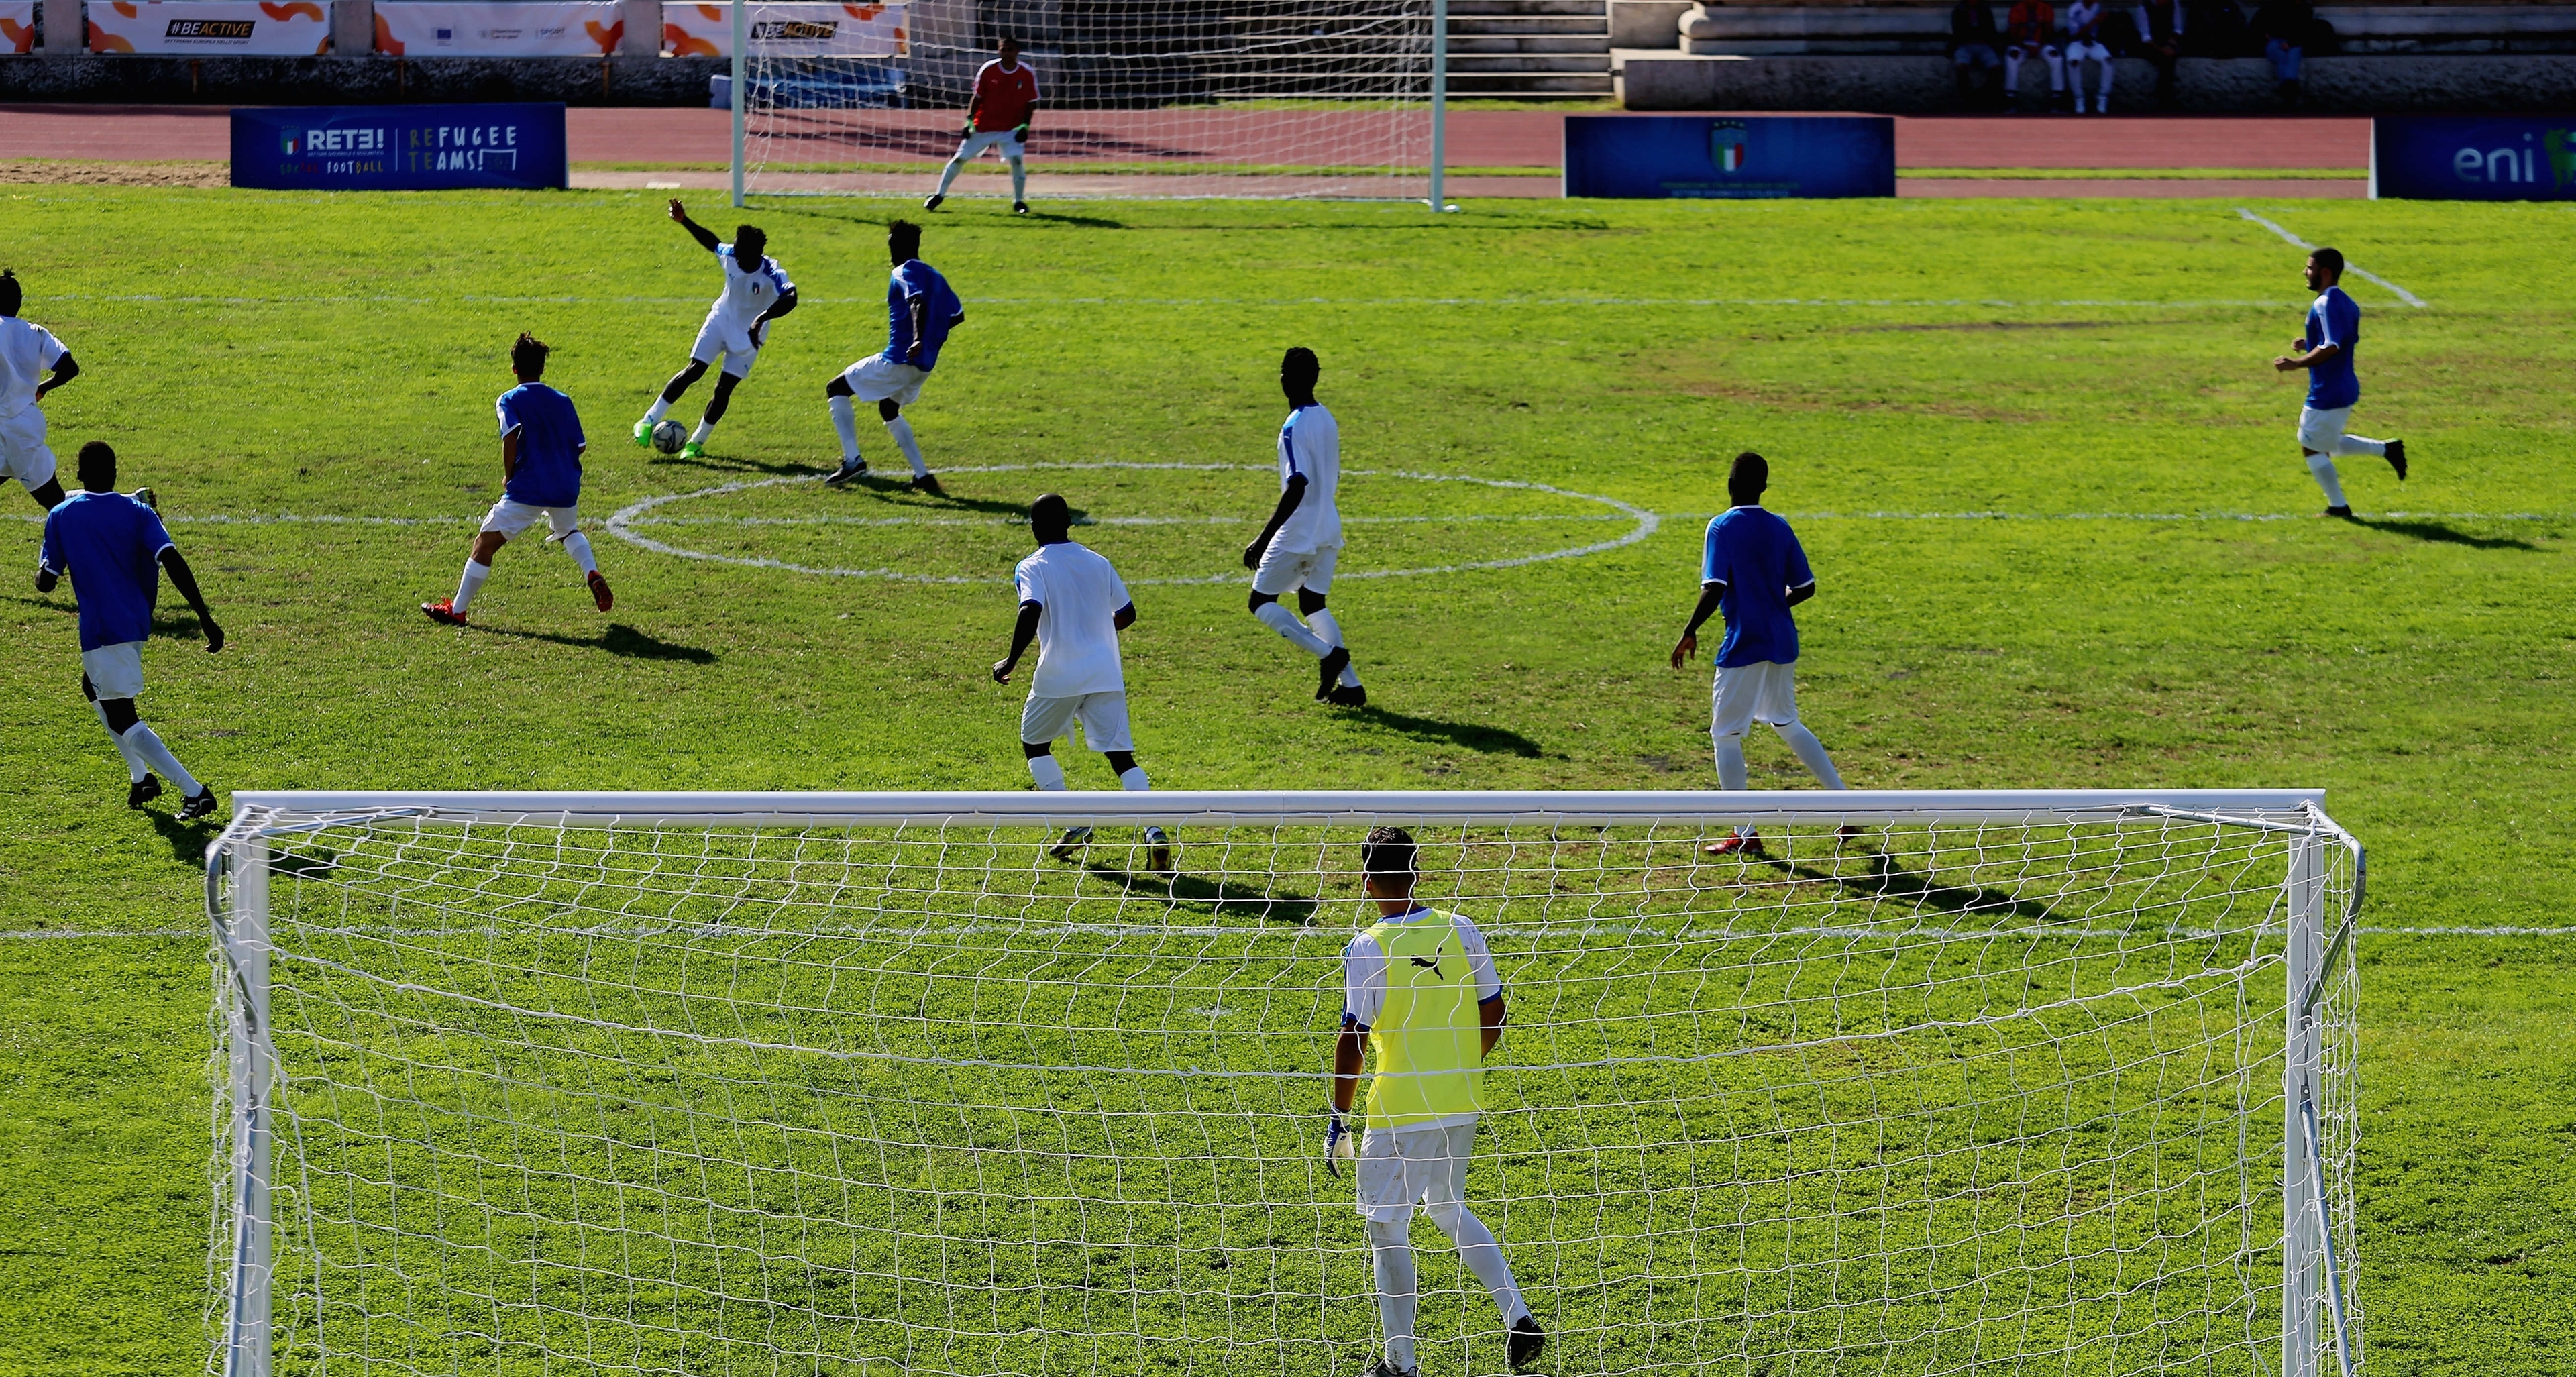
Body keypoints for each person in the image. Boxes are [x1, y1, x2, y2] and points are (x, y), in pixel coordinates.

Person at [1328, 826, 1545, 1377]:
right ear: (1418, 870)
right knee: (1446, 1207)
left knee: (1386, 1226)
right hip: (1461, 1099)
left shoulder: (1368, 945)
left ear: (1366, 880)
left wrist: (1339, 1117)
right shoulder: (1462, 928)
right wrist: (1457, 1063)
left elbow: (1354, 1036)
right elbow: (1493, 1013)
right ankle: (1518, 1315)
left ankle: (1401, 1364)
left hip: (1401, 1108)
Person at [1669, 452, 1855, 857]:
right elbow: (1805, 587)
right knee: (1785, 720)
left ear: (1730, 485)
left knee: (1725, 734)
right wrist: (1773, 604)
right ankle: (1847, 806)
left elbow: (1714, 585)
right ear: (1764, 488)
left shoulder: (1721, 526)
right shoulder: (1780, 526)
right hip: (1782, 639)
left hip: (1745, 641)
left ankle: (1745, 831)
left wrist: (1689, 631)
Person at [38, 441, 223, 819]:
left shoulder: (61, 514)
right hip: (134, 621)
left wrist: (42, 568)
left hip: (103, 628)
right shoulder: (139, 511)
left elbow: (46, 583)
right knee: (93, 687)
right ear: (116, 473)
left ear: (78, 475)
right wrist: (205, 618)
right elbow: (171, 559)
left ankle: (195, 792)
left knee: (122, 715)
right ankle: (142, 778)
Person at [991, 492, 1172, 873]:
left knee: (1035, 743)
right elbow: (1127, 615)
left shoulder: (1032, 566)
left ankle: (1074, 821)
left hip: (1060, 673)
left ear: (1034, 527)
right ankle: (1155, 829)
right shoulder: (1098, 562)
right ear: (1070, 522)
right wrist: (1095, 631)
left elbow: (1031, 608)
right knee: (1121, 755)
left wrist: (1011, 659)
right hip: (1105, 672)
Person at [423, 333, 611, 625]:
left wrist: (510, 476)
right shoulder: (563, 400)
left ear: (514, 369)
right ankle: (592, 572)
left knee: (484, 544)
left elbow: (510, 437)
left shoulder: (509, 399)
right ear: (543, 368)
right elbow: (580, 446)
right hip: (566, 485)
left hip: (529, 486)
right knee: (568, 531)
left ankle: (457, 611)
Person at [1242, 347, 1364, 706]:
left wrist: (1263, 538)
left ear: (1284, 380)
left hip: (1300, 530)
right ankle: (1352, 687)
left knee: (1260, 602)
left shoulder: (1293, 426)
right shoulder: (1327, 418)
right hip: (1328, 523)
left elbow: (1298, 483)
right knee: (1313, 602)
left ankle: (1328, 655)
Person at [632, 199, 797, 461]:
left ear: (758, 254)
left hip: (750, 337)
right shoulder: (731, 254)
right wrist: (684, 220)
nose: (738, 260)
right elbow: (711, 241)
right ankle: (648, 420)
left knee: (723, 389)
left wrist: (762, 318)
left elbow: (791, 298)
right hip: (721, 320)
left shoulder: (773, 272)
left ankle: (696, 442)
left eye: (745, 257)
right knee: (694, 370)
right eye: (737, 254)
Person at [824, 219, 965, 494]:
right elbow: (957, 315)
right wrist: (930, 340)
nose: (888, 249)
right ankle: (923, 477)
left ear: (899, 245)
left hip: (900, 359)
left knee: (836, 388)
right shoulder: (936, 275)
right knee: (889, 409)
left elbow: (916, 301)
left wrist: (917, 339)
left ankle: (853, 461)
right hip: (922, 366)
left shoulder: (903, 271)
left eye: (890, 242)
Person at [2273, 247, 2404, 518]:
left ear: (2326, 272)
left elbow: (2332, 346)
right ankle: (2388, 450)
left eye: (2309, 268)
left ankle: (2338, 507)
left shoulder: (2324, 304)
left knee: (2311, 448)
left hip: (2328, 390)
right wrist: (2309, 343)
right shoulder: (2347, 302)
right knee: (2325, 442)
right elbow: (2341, 342)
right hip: (2344, 385)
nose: (2305, 272)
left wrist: (2297, 363)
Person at [924, 34, 1040, 216]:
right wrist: (969, 121)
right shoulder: (988, 69)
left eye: (1010, 49)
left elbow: (1031, 103)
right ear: (999, 50)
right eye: (1003, 49)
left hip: (1011, 128)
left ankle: (1019, 201)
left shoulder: (1026, 73)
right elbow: (977, 98)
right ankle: (938, 195)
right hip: (983, 125)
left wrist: (1025, 126)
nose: (1006, 53)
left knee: (1017, 161)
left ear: (1017, 51)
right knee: (959, 159)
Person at [0, 268, 80, 512]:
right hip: (26, 428)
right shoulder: (36, 333)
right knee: (56, 503)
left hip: (6, 431)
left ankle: (123, 506)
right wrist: (42, 388)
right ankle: (127, 502)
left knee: (59, 508)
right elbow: (70, 368)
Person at [2003, 0, 2067, 111]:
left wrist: (2039, 47)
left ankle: (2057, 98)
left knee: (2057, 58)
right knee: (2011, 58)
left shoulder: (2046, 9)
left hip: (2041, 44)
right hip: (2021, 44)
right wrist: (2026, 47)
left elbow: (2049, 34)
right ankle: (2010, 98)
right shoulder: (2016, 9)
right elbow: (2012, 34)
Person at [2253, 0, 2312, 103]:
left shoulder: (2304, 9)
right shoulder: (2271, 7)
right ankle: (2289, 85)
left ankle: (2288, 83)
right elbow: (2257, 25)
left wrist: (2290, 43)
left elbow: (2304, 31)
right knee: (2281, 55)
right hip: (2274, 41)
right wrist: (2266, 35)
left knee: (2293, 55)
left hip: (2293, 43)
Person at [2063, 0, 2115, 112]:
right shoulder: (2074, 9)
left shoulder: (2097, 7)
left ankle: (2103, 96)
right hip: (2077, 43)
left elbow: (2101, 29)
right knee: (2073, 62)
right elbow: (2074, 35)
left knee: (2109, 61)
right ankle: (2079, 98)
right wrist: (2095, 21)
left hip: (2093, 43)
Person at [1950, 0, 2004, 107]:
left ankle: (1990, 99)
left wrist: (1985, 39)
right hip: (1965, 45)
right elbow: (1957, 31)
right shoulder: (1959, 10)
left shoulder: (1985, 10)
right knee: (1961, 66)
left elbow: (1991, 29)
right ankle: (1965, 99)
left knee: (1995, 67)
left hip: (1983, 45)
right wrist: (1967, 38)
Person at [2131, 0, 2184, 107]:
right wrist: (2162, 49)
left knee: (2171, 56)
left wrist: (2171, 42)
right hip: (2151, 45)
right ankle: (2165, 94)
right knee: (2167, 59)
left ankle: (2164, 93)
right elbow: (2145, 37)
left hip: (2168, 42)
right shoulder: (2143, 8)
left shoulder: (2174, 4)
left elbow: (2178, 28)